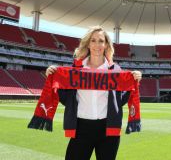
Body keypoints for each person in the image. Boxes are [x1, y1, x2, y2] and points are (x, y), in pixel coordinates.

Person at [45, 26, 142, 160]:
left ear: (106, 44)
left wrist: (134, 81)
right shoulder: (76, 70)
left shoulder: (115, 71)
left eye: (101, 41)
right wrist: (53, 76)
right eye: (93, 40)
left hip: (108, 129)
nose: (97, 45)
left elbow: (120, 100)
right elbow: (66, 98)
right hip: (81, 128)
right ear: (88, 43)